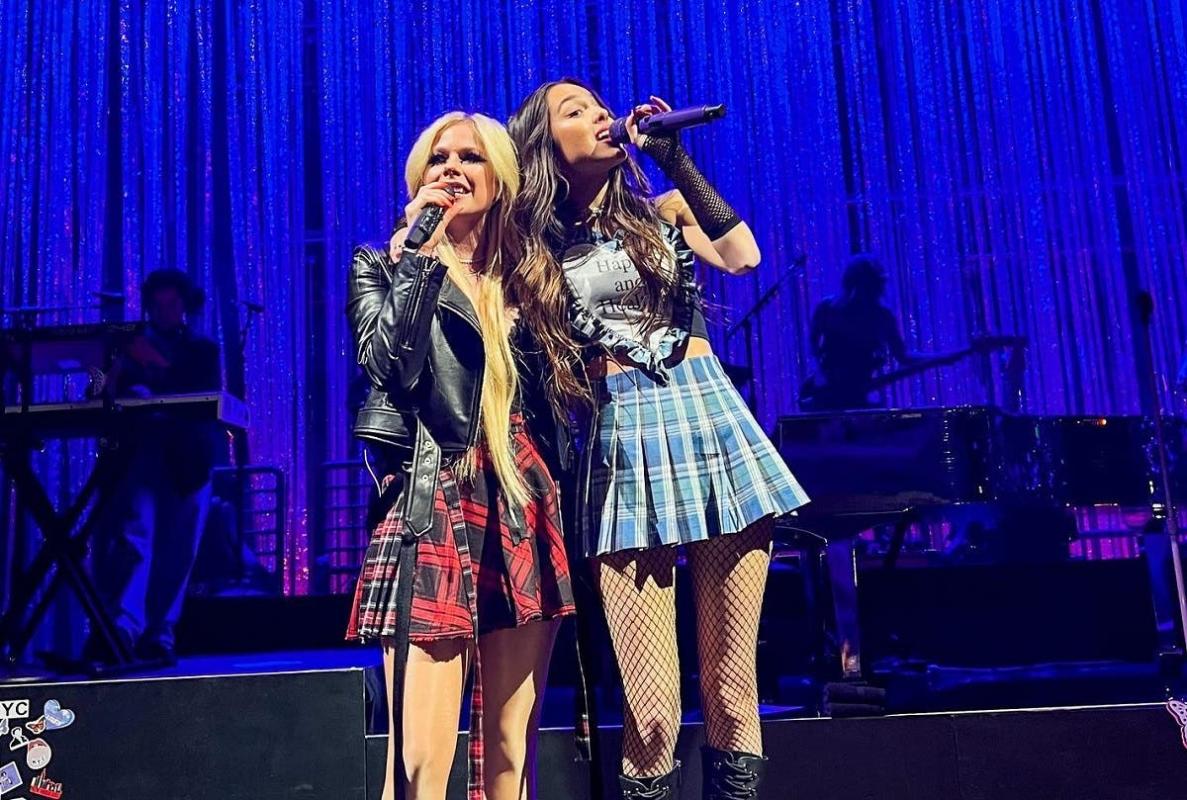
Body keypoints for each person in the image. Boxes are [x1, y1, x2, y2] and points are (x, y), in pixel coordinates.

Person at [508, 80, 809, 800]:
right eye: (575, 112)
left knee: (733, 687)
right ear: (544, 146)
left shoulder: (662, 211)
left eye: (597, 104)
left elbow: (742, 256)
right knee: (650, 711)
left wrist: (674, 157)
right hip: (621, 438)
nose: (598, 115)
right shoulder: (529, 249)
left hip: (710, 422)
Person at [345, 111, 576, 800]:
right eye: (438, 158)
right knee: (419, 758)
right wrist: (417, 261)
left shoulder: (532, 274)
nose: (451, 169)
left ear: (499, 177)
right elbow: (388, 365)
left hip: (520, 493)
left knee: (510, 748)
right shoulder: (382, 266)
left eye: (470, 157)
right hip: (432, 491)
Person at [90, 268, 221, 664]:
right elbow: (97, 390)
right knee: (134, 538)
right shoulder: (127, 348)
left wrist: (155, 377)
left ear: (184, 306)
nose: (165, 311)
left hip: (189, 458)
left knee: (178, 549)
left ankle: (160, 633)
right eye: (158, 304)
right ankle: (124, 628)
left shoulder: (201, 348)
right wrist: (115, 377)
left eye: (172, 303)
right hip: (141, 454)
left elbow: (202, 394)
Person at [798, 253, 921, 410]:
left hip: (858, 395)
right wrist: (820, 374)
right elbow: (813, 343)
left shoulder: (882, 315)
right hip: (824, 392)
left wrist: (943, 357)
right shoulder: (827, 308)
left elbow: (903, 357)